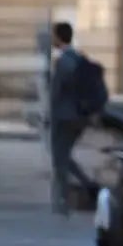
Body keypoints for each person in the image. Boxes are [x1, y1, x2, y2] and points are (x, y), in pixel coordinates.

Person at [45, 21, 95, 214]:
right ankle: (87, 185)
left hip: (64, 118)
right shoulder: (78, 57)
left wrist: (50, 116)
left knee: (59, 160)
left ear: (58, 37)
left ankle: (63, 201)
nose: (51, 39)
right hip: (78, 118)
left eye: (53, 35)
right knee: (64, 158)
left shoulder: (63, 61)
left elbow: (56, 93)